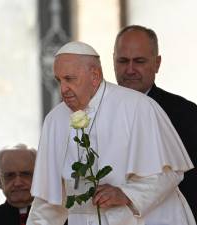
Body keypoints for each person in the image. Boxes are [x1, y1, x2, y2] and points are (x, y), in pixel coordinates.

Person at [27, 41, 195, 225]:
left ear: (95, 75)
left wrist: (127, 194)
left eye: (70, 79)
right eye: (59, 80)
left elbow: (169, 173)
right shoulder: (54, 120)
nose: (63, 89)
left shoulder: (138, 107)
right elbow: (49, 199)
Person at [114, 25, 197, 219]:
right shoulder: (94, 112)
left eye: (139, 61)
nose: (130, 69)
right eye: (123, 61)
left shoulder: (186, 114)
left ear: (157, 63)